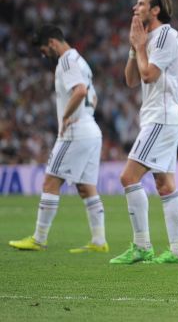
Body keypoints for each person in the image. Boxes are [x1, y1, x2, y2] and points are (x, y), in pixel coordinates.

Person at [9, 25, 108, 254]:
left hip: (76, 133)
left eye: (44, 49)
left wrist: (66, 117)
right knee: (86, 187)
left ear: (52, 42)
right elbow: (94, 98)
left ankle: (39, 238)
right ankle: (99, 240)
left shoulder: (66, 61)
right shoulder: (82, 61)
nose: (44, 54)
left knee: (50, 182)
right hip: (92, 131)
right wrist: (83, 115)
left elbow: (81, 91)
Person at [109, 0, 178, 265]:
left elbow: (149, 74)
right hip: (159, 117)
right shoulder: (147, 39)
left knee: (128, 177)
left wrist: (141, 46)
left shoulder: (167, 34)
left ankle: (142, 246)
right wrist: (134, 48)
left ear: (155, 10)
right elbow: (131, 80)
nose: (135, 7)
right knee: (165, 185)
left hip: (162, 117)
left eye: (141, 4)